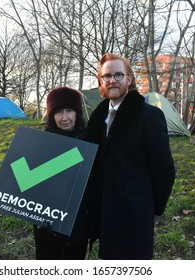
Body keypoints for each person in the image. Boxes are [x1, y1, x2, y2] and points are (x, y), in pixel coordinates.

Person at [85, 53, 175, 260]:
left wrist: (151, 207)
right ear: (101, 81)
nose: (112, 80)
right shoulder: (98, 116)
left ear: (129, 78)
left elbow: (164, 169)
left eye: (118, 75)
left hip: (134, 211)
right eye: (107, 76)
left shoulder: (149, 115)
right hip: (104, 210)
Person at [33, 86, 91, 260]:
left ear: (77, 113)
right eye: (58, 112)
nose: (64, 117)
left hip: (78, 227)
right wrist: (36, 218)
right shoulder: (41, 145)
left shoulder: (89, 143)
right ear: (51, 116)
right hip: (47, 229)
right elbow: (31, 189)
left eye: (69, 111)